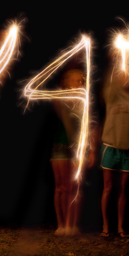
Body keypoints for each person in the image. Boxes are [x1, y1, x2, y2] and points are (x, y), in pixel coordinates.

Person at [91, 68, 129, 238]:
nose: (127, 78)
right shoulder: (113, 96)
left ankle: (120, 227)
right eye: (124, 75)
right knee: (108, 187)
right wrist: (116, 62)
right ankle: (106, 226)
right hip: (110, 146)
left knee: (123, 189)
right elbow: (108, 84)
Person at [50, 66, 86, 237]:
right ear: (66, 82)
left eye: (81, 80)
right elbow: (67, 122)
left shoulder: (85, 101)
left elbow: (91, 126)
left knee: (74, 187)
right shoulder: (60, 98)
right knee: (61, 187)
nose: (78, 83)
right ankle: (61, 224)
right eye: (74, 79)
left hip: (77, 148)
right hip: (61, 145)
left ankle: (72, 225)